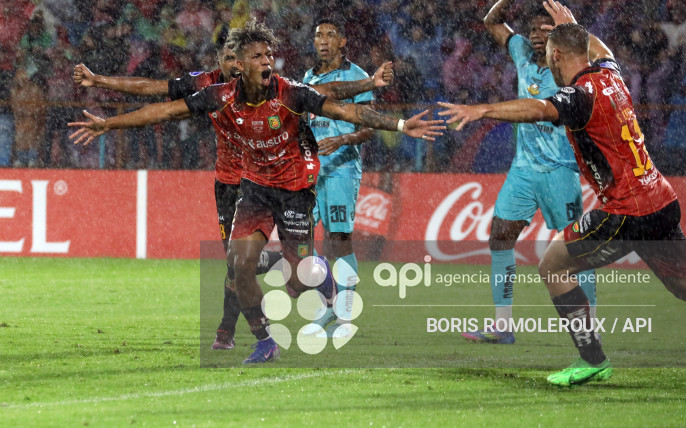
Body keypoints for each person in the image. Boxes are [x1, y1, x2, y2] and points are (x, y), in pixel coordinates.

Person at [440, 0, 686, 390]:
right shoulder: (610, 74)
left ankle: (592, 359)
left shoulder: (578, 96)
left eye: (552, 57)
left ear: (556, 56)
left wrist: (483, 110)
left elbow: (538, 109)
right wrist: (575, 25)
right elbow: (602, 51)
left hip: (626, 209)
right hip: (661, 200)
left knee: (552, 267)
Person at [69, 19, 443, 364]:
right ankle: (265, 341)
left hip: (295, 189)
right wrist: (109, 124)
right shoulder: (219, 94)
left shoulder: (290, 93)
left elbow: (344, 110)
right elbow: (163, 111)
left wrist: (398, 123)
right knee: (238, 264)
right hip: (255, 189)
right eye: (257, 56)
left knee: (299, 281)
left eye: (269, 54)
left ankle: (321, 276)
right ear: (239, 65)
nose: (267, 61)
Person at [460, 0, 597, 345]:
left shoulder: (571, 70)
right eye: (533, 29)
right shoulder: (520, 52)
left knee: (578, 249)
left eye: (546, 31)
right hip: (523, 170)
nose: (536, 36)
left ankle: (590, 325)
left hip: (559, 170)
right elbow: (491, 21)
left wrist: (569, 26)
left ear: (558, 41)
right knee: (500, 238)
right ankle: (503, 326)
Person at [301, 18, 372, 337]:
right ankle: (328, 304)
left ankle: (344, 314)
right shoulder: (308, 77)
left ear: (343, 41)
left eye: (331, 34)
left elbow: (370, 126)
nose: (323, 40)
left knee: (339, 239)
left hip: (342, 167)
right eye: (318, 35)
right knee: (298, 237)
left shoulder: (358, 78)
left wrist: (342, 140)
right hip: (311, 168)